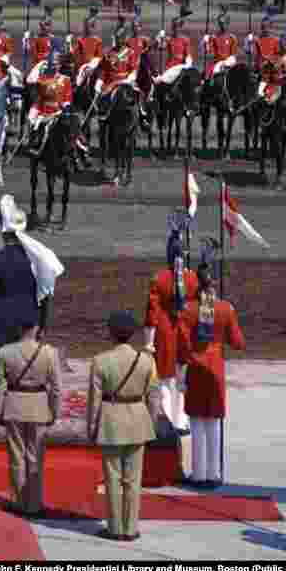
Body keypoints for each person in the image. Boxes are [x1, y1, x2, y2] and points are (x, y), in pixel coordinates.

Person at [0, 195, 63, 405]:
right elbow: (44, 297)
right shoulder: (36, 262)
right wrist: (42, 324)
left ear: (4, 235)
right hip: (27, 323)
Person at [86, 310, 159, 542]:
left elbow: (94, 400)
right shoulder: (146, 360)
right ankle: (131, 528)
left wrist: (91, 426)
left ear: (111, 333)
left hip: (111, 420)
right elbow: (153, 397)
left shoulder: (100, 361)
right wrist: (152, 423)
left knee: (113, 477)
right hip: (138, 419)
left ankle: (115, 527)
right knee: (133, 478)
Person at [175, 263, 246, 487]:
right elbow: (237, 342)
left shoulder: (188, 310)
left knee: (196, 421)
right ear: (214, 282)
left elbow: (183, 345)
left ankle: (198, 474)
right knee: (213, 421)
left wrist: (181, 371)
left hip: (196, 366)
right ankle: (213, 473)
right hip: (215, 366)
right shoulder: (226, 308)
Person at [0, 307, 62, 518]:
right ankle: (34, 504)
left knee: (16, 457)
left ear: (18, 328)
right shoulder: (50, 352)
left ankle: (17, 501)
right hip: (40, 406)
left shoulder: (4, 352)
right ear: (37, 328)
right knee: (35, 458)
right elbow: (56, 388)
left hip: (14, 406)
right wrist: (55, 412)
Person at [143, 228, 199, 432]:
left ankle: (167, 420)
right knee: (182, 379)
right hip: (187, 332)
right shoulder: (193, 278)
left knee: (165, 379)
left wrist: (149, 342)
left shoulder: (159, 279)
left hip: (166, 333)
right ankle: (181, 419)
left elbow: (152, 313)